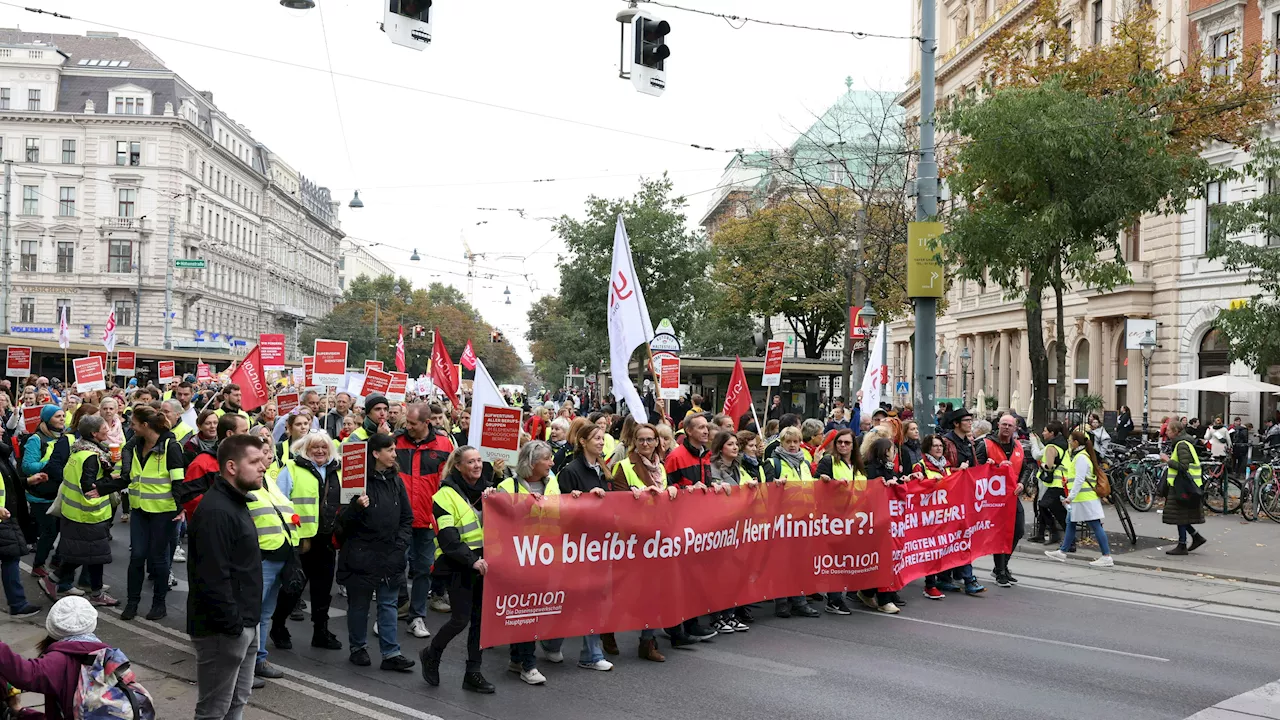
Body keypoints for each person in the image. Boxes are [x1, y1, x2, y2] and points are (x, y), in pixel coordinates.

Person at [189, 435, 266, 717]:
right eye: (254, 461)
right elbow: (212, 576)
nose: (263, 467)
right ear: (231, 467)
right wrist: (234, 626)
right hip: (223, 630)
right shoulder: (217, 511)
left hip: (243, 623)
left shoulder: (234, 502)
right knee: (214, 710)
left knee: (236, 702)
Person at [337, 433, 415, 672]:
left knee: (389, 603)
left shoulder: (396, 480)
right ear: (375, 453)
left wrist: (400, 545)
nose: (394, 454)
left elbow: (406, 517)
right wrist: (355, 507)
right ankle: (358, 648)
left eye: (394, 449)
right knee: (359, 604)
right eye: (389, 450)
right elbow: (341, 525)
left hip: (390, 553)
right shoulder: (356, 480)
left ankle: (391, 653)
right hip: (361, 554)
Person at [421, 446, 496, 693]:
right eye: (471, 462)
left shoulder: (488, 489)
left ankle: (473, 672)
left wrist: (496, 499)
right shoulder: (444, 496)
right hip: (458, 565)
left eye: (479, 461)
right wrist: (471, 560)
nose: (477, 465)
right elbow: (448, 537)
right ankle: (431, 653)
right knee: (460, 620)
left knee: (481, 623)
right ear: (458, 467)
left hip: (486, 565)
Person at [548, 423, 616, 669]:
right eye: (596, 438)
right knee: (572, 598)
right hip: (576, 546)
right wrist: (584, 499)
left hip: (598, 544)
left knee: (592, 598)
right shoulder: (570, 471)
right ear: (583, 441)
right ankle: (555, 643)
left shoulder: (604, 470)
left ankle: (589, 653)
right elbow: (561, 511)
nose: (600, 442)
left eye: (602, 438)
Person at [271, 431, 344, 652]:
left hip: (327, 540)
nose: (320, 451)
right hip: (301, 540)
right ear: (305, 449)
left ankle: (320, 632)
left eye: (324, 447)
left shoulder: (340, 472)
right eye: (314, 447)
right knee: (293, 587)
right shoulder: (291, 469)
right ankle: (278, 626)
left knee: (323, 590)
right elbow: (279, 501)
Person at [0, 596, 131, 719]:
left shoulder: (59, 661)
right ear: (92, 623)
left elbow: (24, 674)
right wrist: (22, 712)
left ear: (51, 626)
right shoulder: (110, 656)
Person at [609, 423, 675, 659]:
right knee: (625, 592)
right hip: (633, 541)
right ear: (634, 442)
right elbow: (617, 505)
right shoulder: (623, 467)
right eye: (641, 440)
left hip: (657, 539)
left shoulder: (661, 467)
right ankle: (608, 630)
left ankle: (648, 642)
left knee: (653, 592)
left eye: (650, 439)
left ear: (658, 442)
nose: (645, 444)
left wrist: (672, 492)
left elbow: (665, 499)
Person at [41, 415, 123, 607]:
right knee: (93, 556)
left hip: (76, 513)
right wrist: (114, 481)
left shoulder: (80, 449)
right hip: (88, 514)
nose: (108, 429)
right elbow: (89, 486)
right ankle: (58, 582)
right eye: (104, 426)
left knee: (87, 556)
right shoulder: (91, 456)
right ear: (94, 433)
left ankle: (83, 589)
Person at [495, 441, 556, 684]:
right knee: (525, 611)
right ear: (531, 463)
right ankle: (528, 665)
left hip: (544, 557)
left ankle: (516, 658)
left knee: (530, 611)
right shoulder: (506, 487)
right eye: (547, 459)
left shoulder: (553, 484)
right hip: (517, 558)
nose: (552, 463)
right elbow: (499, 525)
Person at [120, 405, 187, 622]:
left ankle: (159, 604)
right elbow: (127, 477)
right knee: (137, 556)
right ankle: (132, 603)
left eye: (134, 424)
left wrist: (180, 509)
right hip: (139, 510)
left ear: (145, 425)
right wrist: (100, 489)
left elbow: (178, 481)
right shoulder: (135, 445)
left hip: (164, 513)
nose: (131, 428)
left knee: (159, 559)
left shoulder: (171, 446)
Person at [395, 403, 456, 634]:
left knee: (423, 569)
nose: (407, 426)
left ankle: (417, 616)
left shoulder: (443, 444)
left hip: (428, 518)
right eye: (406, 422)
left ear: (426, 423)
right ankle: (392, 610)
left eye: (412, 423)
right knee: (394, 566)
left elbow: (448, 480)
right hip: (400, 517)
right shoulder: (396, 440)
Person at [857, 438, 917, 613]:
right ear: (884, 451)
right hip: (875, 522)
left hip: (890, 523)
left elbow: (895, 485)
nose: (895, 454)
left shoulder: (890, 468)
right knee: (882, 559)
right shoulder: (871, 469)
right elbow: (868, 491)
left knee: (887, 559)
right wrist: (883, 485)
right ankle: (884, 600)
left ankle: (868, 592)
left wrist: (904, 480)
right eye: (892, 450)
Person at [1044, 430, 1114, 568]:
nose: (1069, 443)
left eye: (1070, 441)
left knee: (1094, 525)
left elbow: (1079, 480)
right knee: (1070, 522)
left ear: (1076, 443)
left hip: (1085, 498)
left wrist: (1070, 497)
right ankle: (1063, 551)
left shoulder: (1081, 457)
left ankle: (1106, 556)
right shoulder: (1082, 456)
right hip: (1083, 498)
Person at [984, 414, 1025, 588]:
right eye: (1004, 424)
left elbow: (1026, 467)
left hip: (1012, 495)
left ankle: (1002, 566)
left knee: (1018, 530)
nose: (1007, 427)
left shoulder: (1018, 446)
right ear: (998, 425)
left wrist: (1023, 482)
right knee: (1000, 534)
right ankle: (1000, 571)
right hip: (994, 498)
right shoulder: (986, 444)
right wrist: (990, 466)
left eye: (1010, 425)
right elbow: (976, 468)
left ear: (1015, 428)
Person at [22, 405, 62, 581]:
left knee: (63, 529)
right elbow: (27, 466)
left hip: (58, 492)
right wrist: (48, 464)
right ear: (47, 419)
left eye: (63, 416)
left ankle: (56, 561)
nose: (62, 419)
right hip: (40, 494)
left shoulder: (64, 438)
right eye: (57, 416)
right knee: (50, 531)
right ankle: (38, 565)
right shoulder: (36, 439)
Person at [0, 439, 39, 617]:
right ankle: (17, 603)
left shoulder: (2, 453)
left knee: (11, 556)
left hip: (8, 516)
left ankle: (18, 603)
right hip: (4, 517)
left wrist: (28, 481)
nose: (2, 430)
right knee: (11, 557)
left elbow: (8, 484)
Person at [1160, 419, 1207, 555]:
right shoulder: (1182, 443)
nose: (1166, 432)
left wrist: (1167, 460)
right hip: (1182, 485)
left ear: (1176, 431)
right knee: (1180, 515)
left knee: (1179, 515)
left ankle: (1182, 544)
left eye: (1168, 430)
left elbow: (1183, 467)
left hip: (1183, 486)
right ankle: (1195, 537)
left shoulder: (1181, 445)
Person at [914, 434, 953, 600]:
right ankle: (930, 585)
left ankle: (937, 581)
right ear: (928, 448)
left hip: (944, 515)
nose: (939, 448)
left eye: (940, 446)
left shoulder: (946, 466)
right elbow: (915, 489)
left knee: (940, 550)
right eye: (935, 446)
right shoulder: (921, 466)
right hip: (927, 517)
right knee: (930, 551)